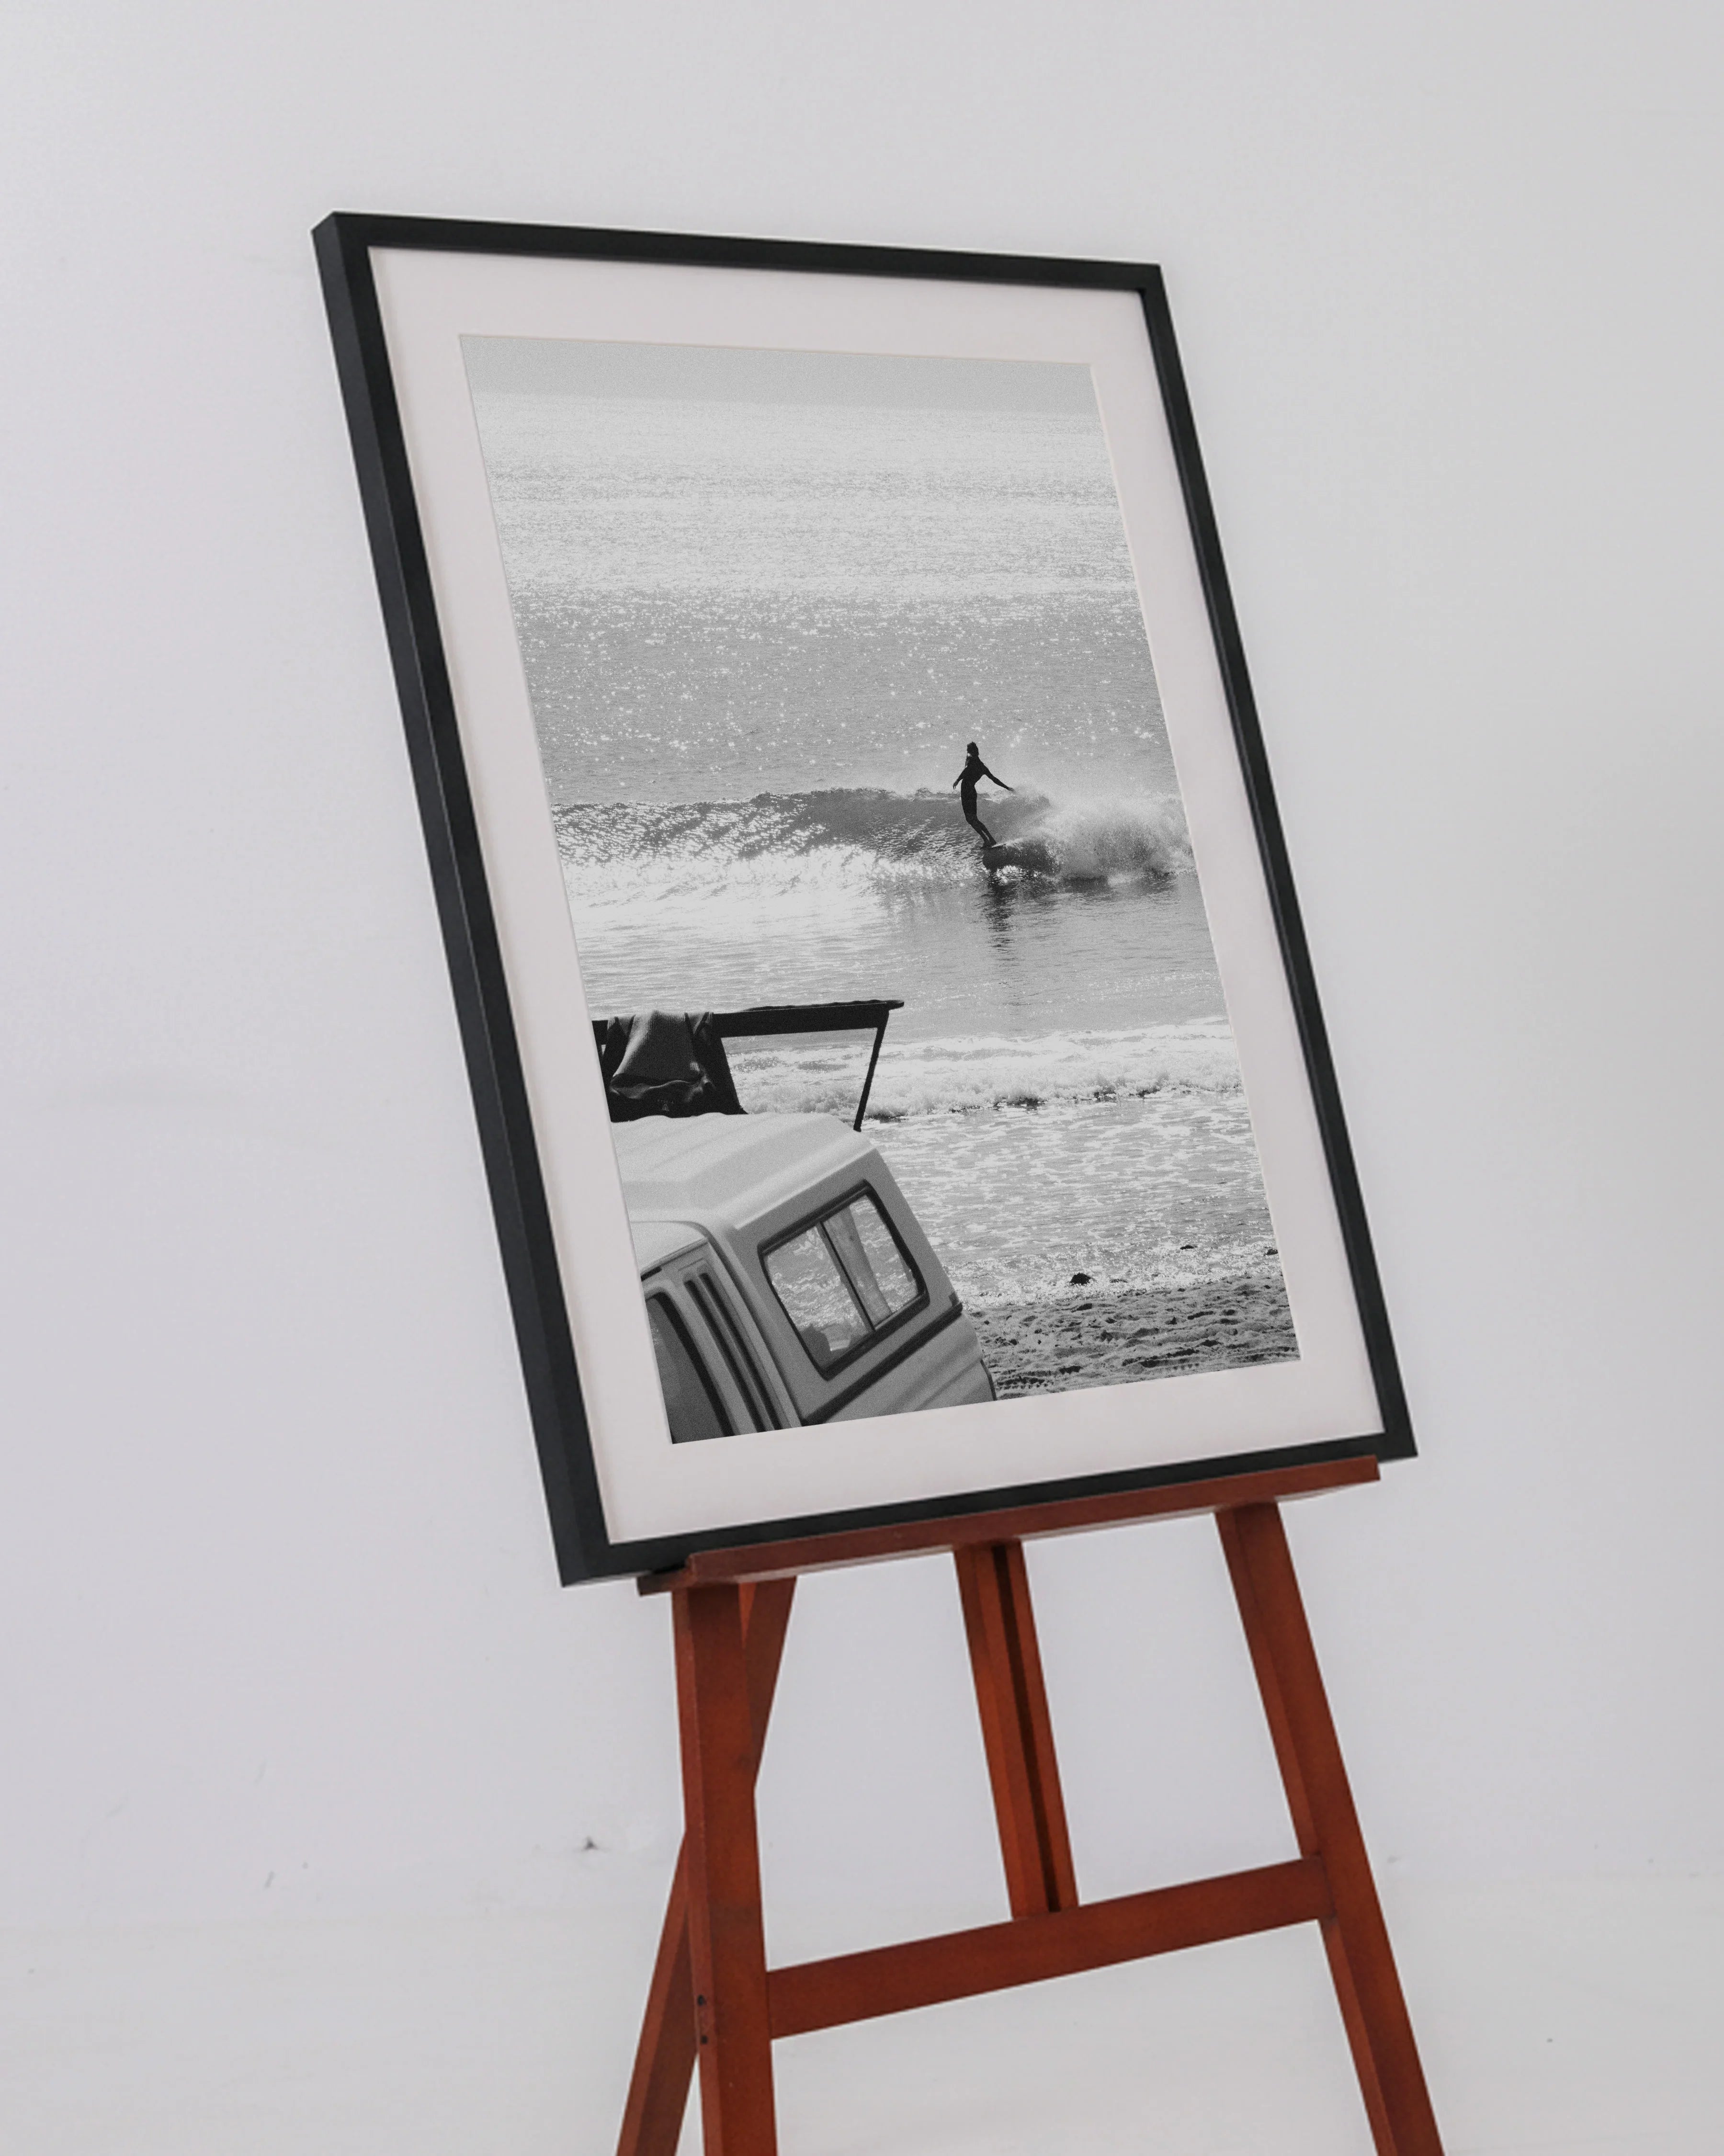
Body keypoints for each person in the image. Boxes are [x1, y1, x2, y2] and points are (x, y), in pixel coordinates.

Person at [952, 740, 1014, 849]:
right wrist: (1007, 788)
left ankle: (986, 840)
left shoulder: (971, 761)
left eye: (969, 752)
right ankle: (991, 839)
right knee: (974, 819)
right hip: (972, 792)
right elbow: (994, 779)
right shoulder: (982, 767)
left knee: (970, 820)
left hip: (966, 792)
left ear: (972, 753)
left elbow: (966, 771)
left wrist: (958, 780)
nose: (968, 753)